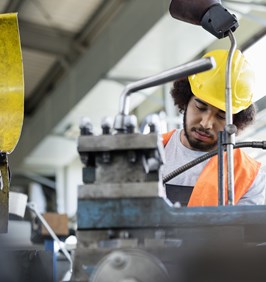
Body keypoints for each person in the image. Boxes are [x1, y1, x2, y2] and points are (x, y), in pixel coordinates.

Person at [162, 49, 266, 207]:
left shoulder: (249, 177)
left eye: (221, 116)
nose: (206, 123)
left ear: (236, 120)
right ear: (185, 99)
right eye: (200, 107)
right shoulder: (147, 152)